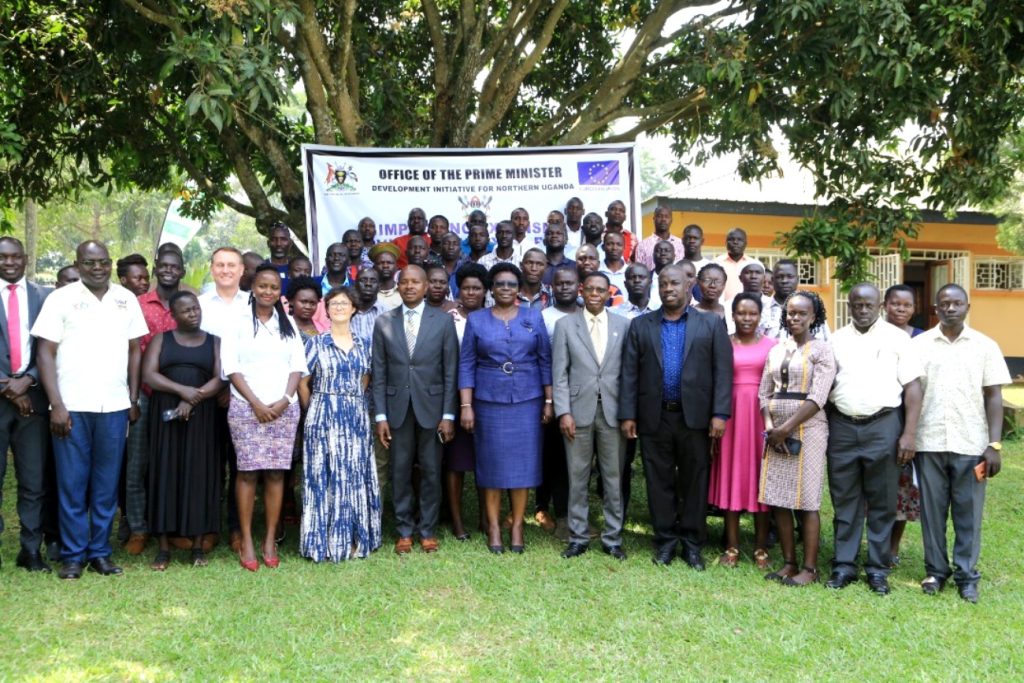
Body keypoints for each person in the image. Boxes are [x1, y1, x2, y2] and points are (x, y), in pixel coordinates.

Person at [33, 240, 149, 580]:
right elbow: (44, 353)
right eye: (89, 262)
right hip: (72, 406)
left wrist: (132, 397)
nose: (97, 268)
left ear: (110, 264)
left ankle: (100, 552)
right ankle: (72, 555)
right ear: (78, 263)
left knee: (105, 484)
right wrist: (56, 404)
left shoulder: (125, 299)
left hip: (113, 406)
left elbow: (135, 350)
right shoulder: (61, 299)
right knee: (71, 483)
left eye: (102, 262)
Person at [619, 263, 733, 569]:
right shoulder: (641, 325)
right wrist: (628, 414)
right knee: (659, 481)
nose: (668, 289)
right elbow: (629, 374)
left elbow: (723, 372)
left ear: (688, 285)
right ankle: (665, 541)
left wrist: (720, 413)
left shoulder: (710, 324)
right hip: (655, 418)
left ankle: (693, 544)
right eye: (663, 285)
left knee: (695, 482)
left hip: (695, 419)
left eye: (674, 284)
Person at [823, 283, 923, 595]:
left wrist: (909, 433)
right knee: (845, 498)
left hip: (884, 427)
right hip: (842, 427)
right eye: (857, 305)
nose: (863, 310)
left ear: (880, 306)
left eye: (869, 305)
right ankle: (844, 565)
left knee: (882, 501)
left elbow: (913, 388)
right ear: (849, 306)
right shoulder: (835, 340)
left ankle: (878, 569)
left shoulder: (898, 339)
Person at [913, 284, 1010, 603]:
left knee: (968, 514)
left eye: (956, 304)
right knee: (932, 513)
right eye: (944, 304)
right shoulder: (921, 345)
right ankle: (936, 571)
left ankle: (967, 576)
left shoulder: (985, 346)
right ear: (935, 309)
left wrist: (993, 445)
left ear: (968, 307)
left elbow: (994, 397)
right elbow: (912, 394)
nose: (950, 308)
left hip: (971, 444)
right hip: (930, 442)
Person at [459, 263, 553, 554]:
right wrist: (466, 405)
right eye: (500, 284)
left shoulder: (533, 317)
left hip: (528, 400)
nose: (505, 289)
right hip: (488, 401)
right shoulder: (476, 320)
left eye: (511, 284)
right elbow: (466, 364)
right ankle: (494, 527)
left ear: (518, 288)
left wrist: (549, 400)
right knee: (491, 466)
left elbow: (545, 360)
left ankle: (517, 526)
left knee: (522, 466)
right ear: (491, 288)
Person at [220, 264, 308, 571]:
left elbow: (298, 365)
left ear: (279, 291)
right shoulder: (237, 322)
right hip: (247, 409)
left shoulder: (288, 324)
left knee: (275, 473)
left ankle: (270, 539)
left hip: (284, 408)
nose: (268, 291)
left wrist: (284, 400)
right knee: (247, 473)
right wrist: (256, 403)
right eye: (262, 286)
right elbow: (231, 367)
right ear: (253, 288)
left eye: (273, 287)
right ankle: (246, 540)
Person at [372, 265, 459, 554]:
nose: (409, 286)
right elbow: (379, 372)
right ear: (398, 287)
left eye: (415, 282)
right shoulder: (384, 321)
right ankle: (404, 530)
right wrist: (381, 415)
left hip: (433, 410)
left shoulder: (443, 322)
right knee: (399, 470)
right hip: (397, 410)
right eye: (404, 282)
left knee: (432, 470)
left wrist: (448, 414)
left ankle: (428, 530)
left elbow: (450, 371)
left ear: (426, 287)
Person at [758, 291, 837, 586]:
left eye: (802, 313)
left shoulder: (822, 351)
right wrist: (771, 428)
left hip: (809, 429)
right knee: (779, 498)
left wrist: (786, 428)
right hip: (776, 431)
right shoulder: (777, 349)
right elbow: (763, 392)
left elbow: (818, 396)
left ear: (813, 317)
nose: (795, 318)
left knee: (806, 500)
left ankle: (810, 568)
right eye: (791, 312)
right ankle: (789, 563)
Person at [299, 286, 382, 561]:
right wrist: (313, 408)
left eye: (344, 303)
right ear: (327, 308)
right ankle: (321, 542)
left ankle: (355, 538)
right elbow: (302, 380)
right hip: (322, 412)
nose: (338, 308)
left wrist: (351, 396)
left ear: (354, 308)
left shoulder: (364, 344)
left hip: (355, 413)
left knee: (354, 475)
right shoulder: (316, 342)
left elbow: (366, 377)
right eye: (333, 303)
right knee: (323, 477)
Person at [143, 292, 224, 570]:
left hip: (203, 415)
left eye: (196, 309)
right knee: (165, 471)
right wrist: (182, 392)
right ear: (174, 316)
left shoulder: (214, 341)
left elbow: (220, 377)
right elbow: (149, 375)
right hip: (166, 412)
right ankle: (164, 547)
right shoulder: (161, 340)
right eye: (186, 310)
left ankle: (198, 544)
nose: (193, 314)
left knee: (199, 473)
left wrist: (194, 399)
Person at [553, 272, 630, 560]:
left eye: (601, 289)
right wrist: (563, 411)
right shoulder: (565, 325)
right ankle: (578, 536)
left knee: (613, 478)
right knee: (578, 477)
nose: (595, 294)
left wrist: (627, 413)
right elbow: (559, 373)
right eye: (590, 289)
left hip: (613, 412)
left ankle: (612, 539)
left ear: (608, 292)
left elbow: (629, 373)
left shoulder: (623, 325)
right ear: (582, 291)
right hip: (577, 412)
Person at [122, 248, 187, 556]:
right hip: (145, 394)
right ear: (156, 269)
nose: (168, 271)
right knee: (138, 463)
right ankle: (137, 528)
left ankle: (170, 526)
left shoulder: (187, 306)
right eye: (163, 266)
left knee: (171, 463)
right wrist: (133, 397)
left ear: (182, 271)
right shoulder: (137, 305)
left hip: (178, 395)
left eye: (174, 266)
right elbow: (131, 352)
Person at [708, 293, 776, 570]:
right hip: (730, 415)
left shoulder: (773, 346)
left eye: (752, 313)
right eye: (740, 313)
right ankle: (732, 546)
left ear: (760, 316)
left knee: (760, 477)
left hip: (761, 418)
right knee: (731, 475)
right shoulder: (722, 343)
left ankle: (761, 548)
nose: (746, 318)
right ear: (732, 315)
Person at [0, 237, 52, 572]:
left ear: (26, 258)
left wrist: (29, 379)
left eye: (15, 256)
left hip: (32, 399)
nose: (9, 262)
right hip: (3, 394)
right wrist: (7, 386)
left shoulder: (44, 297)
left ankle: (30, 550)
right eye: (2, 257)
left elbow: (51, 346)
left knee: (33, 479)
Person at [198, 247, 250, 553]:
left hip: (244, 398)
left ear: (242, 270)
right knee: (209, 465)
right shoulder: (201, 305)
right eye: (220, 265)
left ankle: (236, 529)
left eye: (232, 265)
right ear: (212, 268)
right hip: (208, 395)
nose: (226, 270)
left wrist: (235, 390)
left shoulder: (253, 304)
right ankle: (208, 526)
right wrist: (216, 389)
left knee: (240, 465)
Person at [444, 263, 488, 541]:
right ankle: (457, 521)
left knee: (486, 459)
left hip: (485, 396)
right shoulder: (447, 318)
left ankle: (486, 517)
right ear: (458, 288)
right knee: (455, 462)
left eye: (477, 288)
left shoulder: (491, 317)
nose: (471, 292)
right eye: (466, 287)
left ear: (485, 291)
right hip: (453, 395)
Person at [883, 284, 924, 564]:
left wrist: (911, 430)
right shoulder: (876, 335)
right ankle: (874, 542)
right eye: (895, 303)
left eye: (906, 305)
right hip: (879, 421)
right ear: (885, 305)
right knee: (874, 488)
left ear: (914, 308)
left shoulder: (921, 340)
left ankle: (893, 547)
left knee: (904, 488)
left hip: (907, 421)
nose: (900, 309)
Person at [537, 266, 579, 539]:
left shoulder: (589, 315)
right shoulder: (543, 318)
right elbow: (541, 359)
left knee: (581, 460)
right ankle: (560, 514)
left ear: (579, 287)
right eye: (559, 284)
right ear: (551, 287)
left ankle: (579, 514)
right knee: (556, 459)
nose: (564, 288)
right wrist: (550, 400)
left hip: (585, 397)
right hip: (554, 396)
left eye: (570, 284)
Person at [761, 260, 830, 340]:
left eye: (790, 276)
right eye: (780, 277)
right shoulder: (761, 308)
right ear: (772, 280)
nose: (785, 281)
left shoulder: (812, 309)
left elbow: (827, 342)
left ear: (797, 279)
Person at [714, 228, 762, 301]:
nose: (735, 242)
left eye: (739, 240)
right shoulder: (716, 263)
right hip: (722, 310)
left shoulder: (755, 264)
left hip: (749, 309)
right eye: (731, 239)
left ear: (746, 244)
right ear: (725, 243)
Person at [370, 242, 403, 309]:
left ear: (396, 267)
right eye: (381, 263)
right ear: (374, 267)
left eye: (389, 263)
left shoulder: (403, 292)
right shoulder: (368, 292)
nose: (385, 266)